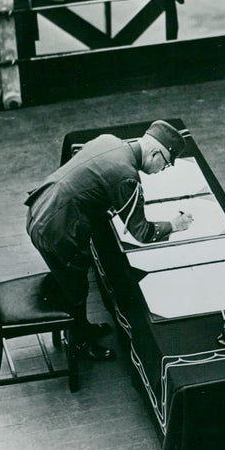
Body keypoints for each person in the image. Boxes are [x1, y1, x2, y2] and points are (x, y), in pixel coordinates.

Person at [25, 121, 193, 360]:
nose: (161, 170)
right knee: (77, 287)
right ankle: (80, 342)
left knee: (76, 282)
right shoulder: (126, 176)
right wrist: (174, 225)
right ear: (155, 153)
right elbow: (142, 232)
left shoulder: (110, 141)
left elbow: (89, 182)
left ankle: (82, 327)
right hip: (55, 232)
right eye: (165, 164)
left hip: (39, 209)